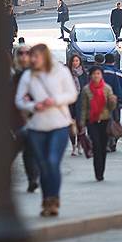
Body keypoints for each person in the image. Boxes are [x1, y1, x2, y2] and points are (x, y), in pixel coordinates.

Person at [15, 44, 78, 217]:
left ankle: (54, 199)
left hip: (59, 125)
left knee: (52, 162)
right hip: (37, 126)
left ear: (45, 56)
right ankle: (46, 201)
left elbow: (72, 94)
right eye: (31, 56)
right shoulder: (28, 76)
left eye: (36, 56)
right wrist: (34, 105)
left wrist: (55, 100)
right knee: (43, 165)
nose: (32, 59)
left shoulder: (60, 72)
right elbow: (19, 100)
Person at [78, 66, 118, 181]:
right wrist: (82, 124)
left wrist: (112, 102)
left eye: (98, 74)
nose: (96, 76)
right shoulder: (86, 90)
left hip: (105, 121)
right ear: (91, 75)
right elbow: (84, 108)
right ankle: (97, 172)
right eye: (94, 74)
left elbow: (111, 108)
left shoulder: (107, 89)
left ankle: (102, 170)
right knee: (96, 145)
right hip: (92, 121)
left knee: (103, 147)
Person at [12, 45, 40, 193]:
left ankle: (33, 180)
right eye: (20, 53)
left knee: (30, 152)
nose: (24, 56)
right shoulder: (13, 76)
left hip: (33, 120)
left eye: (27, 53)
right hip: (16, 120)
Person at [102, 53, 122, 152]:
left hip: (103, 101)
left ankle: (107, 141)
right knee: (115, 122)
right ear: (114, 61)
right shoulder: (119, 73)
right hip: (116, 102)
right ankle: (113, 140)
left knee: (105, 122)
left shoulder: (101, 72)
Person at [66, 53, 89, 156]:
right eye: (74, 61)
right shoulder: (66, 74)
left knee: (80, 125)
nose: (75, 63)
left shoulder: (84, 74)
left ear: (80, 62)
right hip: (70, 103)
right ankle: (73, 146)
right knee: (71, 126)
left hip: (81, 103)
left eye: (77, 61)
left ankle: (79, 145)